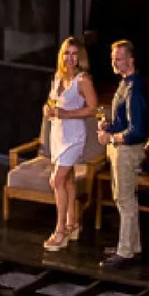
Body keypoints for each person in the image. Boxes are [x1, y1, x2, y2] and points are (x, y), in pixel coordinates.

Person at [42, 38, 96, 250]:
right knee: (68, 179)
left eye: (74, 54)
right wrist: (48, 110)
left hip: (74, 137)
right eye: (67, 53)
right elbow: (51, 102)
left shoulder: (83, 81)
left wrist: (65, 113)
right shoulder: (58, 78)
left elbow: (92, 109)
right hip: (58, 134)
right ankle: (73, 223)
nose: (70, 58)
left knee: (57, 180)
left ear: (80, 57)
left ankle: (60, 230)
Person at [100, 38, 149, 266]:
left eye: (118, 58)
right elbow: (123, 122)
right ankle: (132, 245)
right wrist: (109, 125)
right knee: (123, 198)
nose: (114, 62)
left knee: (125, 199)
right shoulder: (124, 83)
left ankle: (125, 252)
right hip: (118, 147)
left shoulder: (134, 87)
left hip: (127, 150)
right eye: (113, 58)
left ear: (130, 60)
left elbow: (137, 130)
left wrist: (111, 137)